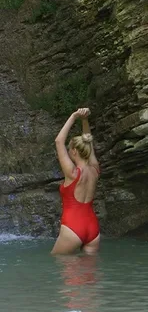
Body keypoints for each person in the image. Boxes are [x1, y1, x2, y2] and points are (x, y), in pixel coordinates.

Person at [51, 108, 100, 255]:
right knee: (89, 275)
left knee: (57, 263)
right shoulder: (95, 170)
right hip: (92, 228)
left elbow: (59, 141)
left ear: (73, 152)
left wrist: (74, 116)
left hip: (73, 227)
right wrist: (84, 120)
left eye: (69, 148)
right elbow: (88, 140)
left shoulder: (72, 173)